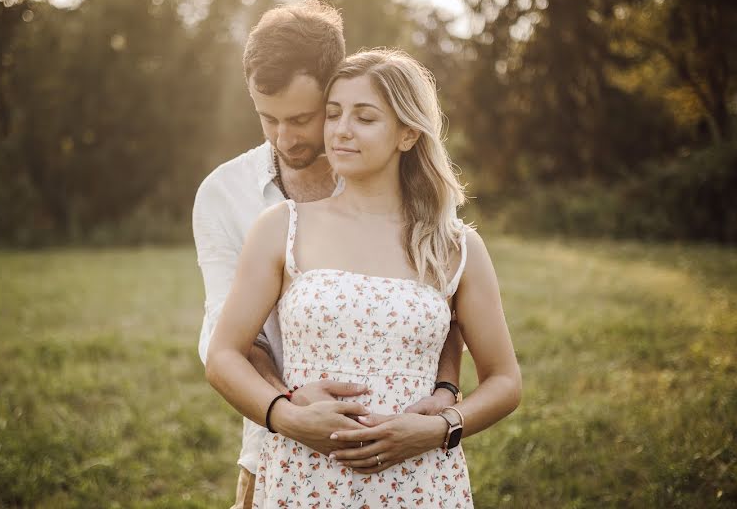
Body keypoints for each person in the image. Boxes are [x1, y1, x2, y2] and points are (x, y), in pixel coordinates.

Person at [206, 48, 522, 508]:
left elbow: (505, 381)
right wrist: (288, 417)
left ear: (408, 133)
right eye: (333, 114)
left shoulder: (455, 246)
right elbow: (223, 356)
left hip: (420, 481)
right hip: (304, 477)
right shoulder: (282, 226)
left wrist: (439, 428)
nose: (340, 130)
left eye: (365, 117)